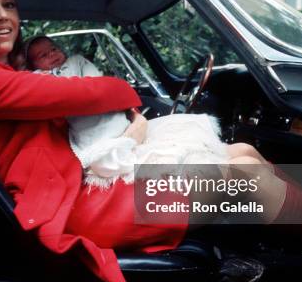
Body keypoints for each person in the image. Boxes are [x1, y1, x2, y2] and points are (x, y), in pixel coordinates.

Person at [0, 0, 302, 282]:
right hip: (81, 209)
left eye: (9, 4)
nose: (5, 17)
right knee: (242, 174)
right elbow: (103, 93)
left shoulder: (0, 74)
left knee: (242, 152)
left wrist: (127, 127)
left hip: (85, 191)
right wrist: (130, 125)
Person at [23, 35, 230, 188]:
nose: (52, 55)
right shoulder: (38, 80)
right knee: (241, 161)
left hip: (114, 120)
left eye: (53, 49)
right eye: (43, 55)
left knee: (192, 128)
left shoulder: (76, 62)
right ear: (33, 64)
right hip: (94, 138)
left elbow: (98, 88)